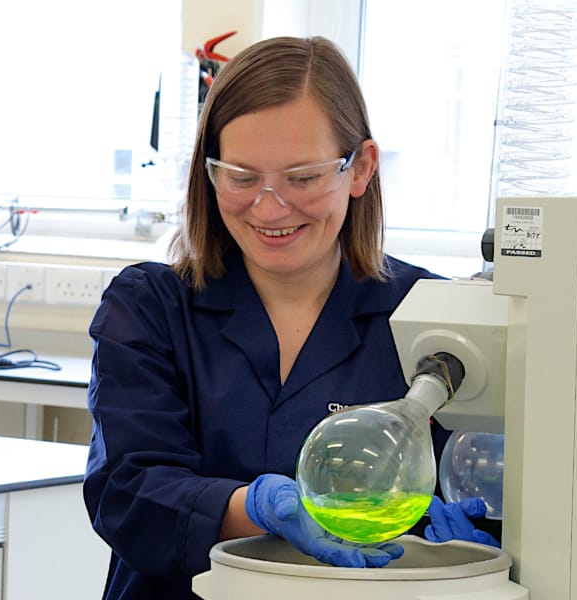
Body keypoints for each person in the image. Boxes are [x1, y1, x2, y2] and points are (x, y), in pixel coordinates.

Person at [82, 36, 495, 600]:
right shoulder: (151, 308)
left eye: (302, 178)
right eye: (242, 177)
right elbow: (128, 492)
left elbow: (488, 481)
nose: (270, 207)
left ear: (361, 169)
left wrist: (482, 532)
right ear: (209, 172)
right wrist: (254, 509)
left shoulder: (437, 321)